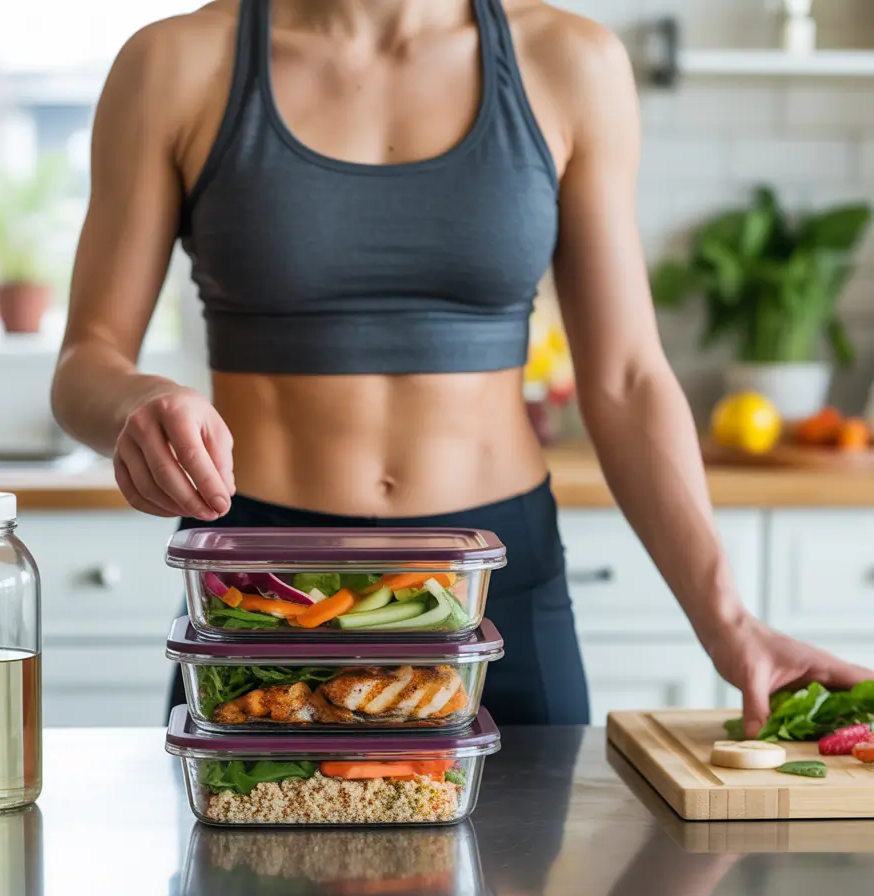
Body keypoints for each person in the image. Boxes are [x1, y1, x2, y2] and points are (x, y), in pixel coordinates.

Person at [50, 0, 869, 732]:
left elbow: (625, 377)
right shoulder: (176, 63)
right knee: (244, 893)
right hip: (265, 589)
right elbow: (88, 359)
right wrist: (138, 403)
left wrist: (729, 620)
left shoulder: (570, 62)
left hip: (494, 580)